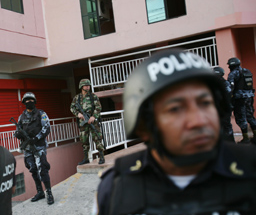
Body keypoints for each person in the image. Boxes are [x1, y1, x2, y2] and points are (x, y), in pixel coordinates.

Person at [95, 49, 256, 214]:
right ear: (144, 126)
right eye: (175, 109)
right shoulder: (115, 189)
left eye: (205, 103)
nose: (199, 121)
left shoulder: (251, 168)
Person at [14, 92, 54, 205]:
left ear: (34, 101)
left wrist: (36, 138)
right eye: (26, 101)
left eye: (31, 100)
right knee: (32, 169)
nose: (28, 102)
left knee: (43, 169)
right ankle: (40, 192)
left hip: (39, 146)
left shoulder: (41, 114)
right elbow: (18, 130)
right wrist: (17, 134)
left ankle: (49, 193)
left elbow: (46, 128)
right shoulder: (21, 117)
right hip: (27, 148)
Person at [70, 79, 105, 165]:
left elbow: (98, 107)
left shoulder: (93, 97)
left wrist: (93, 116)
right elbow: (72, 107)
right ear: (81, 87)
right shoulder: (77, 98)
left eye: (88, 85)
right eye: (86, 85)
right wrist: (78, 114)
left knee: (97, 138)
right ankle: (86, 158)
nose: (87, 87)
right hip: (83, 122)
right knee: (84, 140)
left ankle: (102, 156)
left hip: (93, 121)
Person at [227, 57, 256, 144]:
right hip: (249, 97)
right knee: (250, 116)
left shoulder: (233, 74)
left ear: (231, 65)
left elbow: (230, 88)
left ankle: (246, 138)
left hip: (240, 99)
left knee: (241, 118)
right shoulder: (246, 71)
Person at [214, 66, 235, 142]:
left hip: (224, 108)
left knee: (226, 126)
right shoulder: (219, 84)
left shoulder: (223, 84)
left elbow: (227, 96)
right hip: (221, 107)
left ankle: (230, 142)